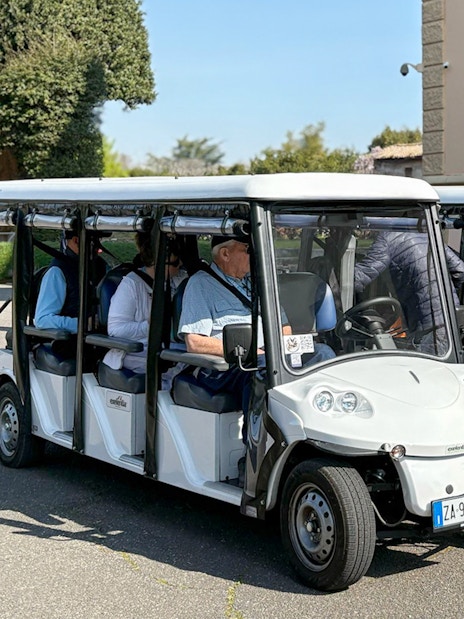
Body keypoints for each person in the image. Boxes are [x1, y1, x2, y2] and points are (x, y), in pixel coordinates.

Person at [177, 236, 335, 442]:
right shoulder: (200, 284)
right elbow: (195, 342)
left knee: (324, 354)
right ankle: (255, 449)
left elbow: (283, 325)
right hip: (226, 367)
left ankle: (321, 432)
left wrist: (285, 348)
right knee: (264, 367)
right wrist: (252, 351)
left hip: (267, 356)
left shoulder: (256, 283)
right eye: (249, 250)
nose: (256, 255)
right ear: (225, 254)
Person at [354, 230, 464, 354]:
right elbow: (460, 271)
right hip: (450, 319)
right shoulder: (430, 236)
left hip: (425, 323)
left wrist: (337, 279)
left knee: (426, 369)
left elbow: (361, 276)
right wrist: (442, 292)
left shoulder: (387, 239)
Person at [102, 234, 186, 374]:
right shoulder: (132, 284)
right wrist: (151, 326)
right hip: (136, 351)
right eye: (175, 262)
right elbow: (115, 330)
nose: (180, 266)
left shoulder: (177, 280)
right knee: (180, 367)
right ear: (158, 263)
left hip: (170, 346)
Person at [34, 227, 80, 333]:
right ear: (76, 240)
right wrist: (82, 324)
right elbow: (42, 320)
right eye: (93, 243)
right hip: (71, 344)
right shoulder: (57, 271)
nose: (98, 250)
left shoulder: (98, 266)